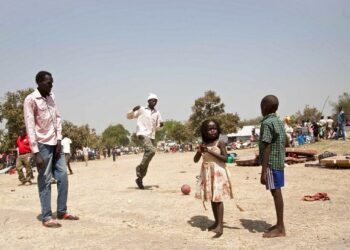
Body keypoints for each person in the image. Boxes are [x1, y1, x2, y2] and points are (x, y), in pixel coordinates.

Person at [24, 71, 79, 228]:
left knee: (63, 176)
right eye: (48, 83)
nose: (51, 85)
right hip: (42, 145)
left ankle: (62, 211)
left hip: (56, 144)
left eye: (52, 82)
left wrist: (59, 139)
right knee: (45, 180)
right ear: (39, 83)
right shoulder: (30, 99)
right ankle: (47, 216)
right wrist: (36, 152)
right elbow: (30, 125)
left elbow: (58, 118)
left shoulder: (52, 97)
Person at [194, 119, 233, 238]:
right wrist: (200, 151)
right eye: (209, 129)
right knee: (211, 198)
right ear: (204, 132)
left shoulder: (220, 143)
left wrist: (209, 151)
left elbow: (225, 158)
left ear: (218, 130)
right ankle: (216, 222)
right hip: (207, 173)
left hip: (218, 173)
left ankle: (220, 225)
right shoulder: (204, 144)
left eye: (214, 128)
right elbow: (195, 160)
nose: (212, 131)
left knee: (218, 198)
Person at [259, 95, 286, 238]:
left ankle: (281, 227)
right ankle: (279, 223)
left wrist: (263, 171)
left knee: (276, 193)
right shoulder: (279, 122)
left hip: (270, 164)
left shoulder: (267, 123)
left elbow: (267, 146)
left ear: (265, 108)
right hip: (279, 161)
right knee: (277, 192)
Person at [127, 93, 163, 189]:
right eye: (152, 100)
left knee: (149, 156)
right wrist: (133, 109)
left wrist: (161, 126)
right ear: (148, 101)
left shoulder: (157, 113)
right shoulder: (142, 109)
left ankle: (139, 178)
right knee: (151, 150)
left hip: (151, 136)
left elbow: (158, 127)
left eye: (156, 100)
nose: (154, 102)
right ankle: (139, 169)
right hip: (142, 133)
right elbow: (129, 117)